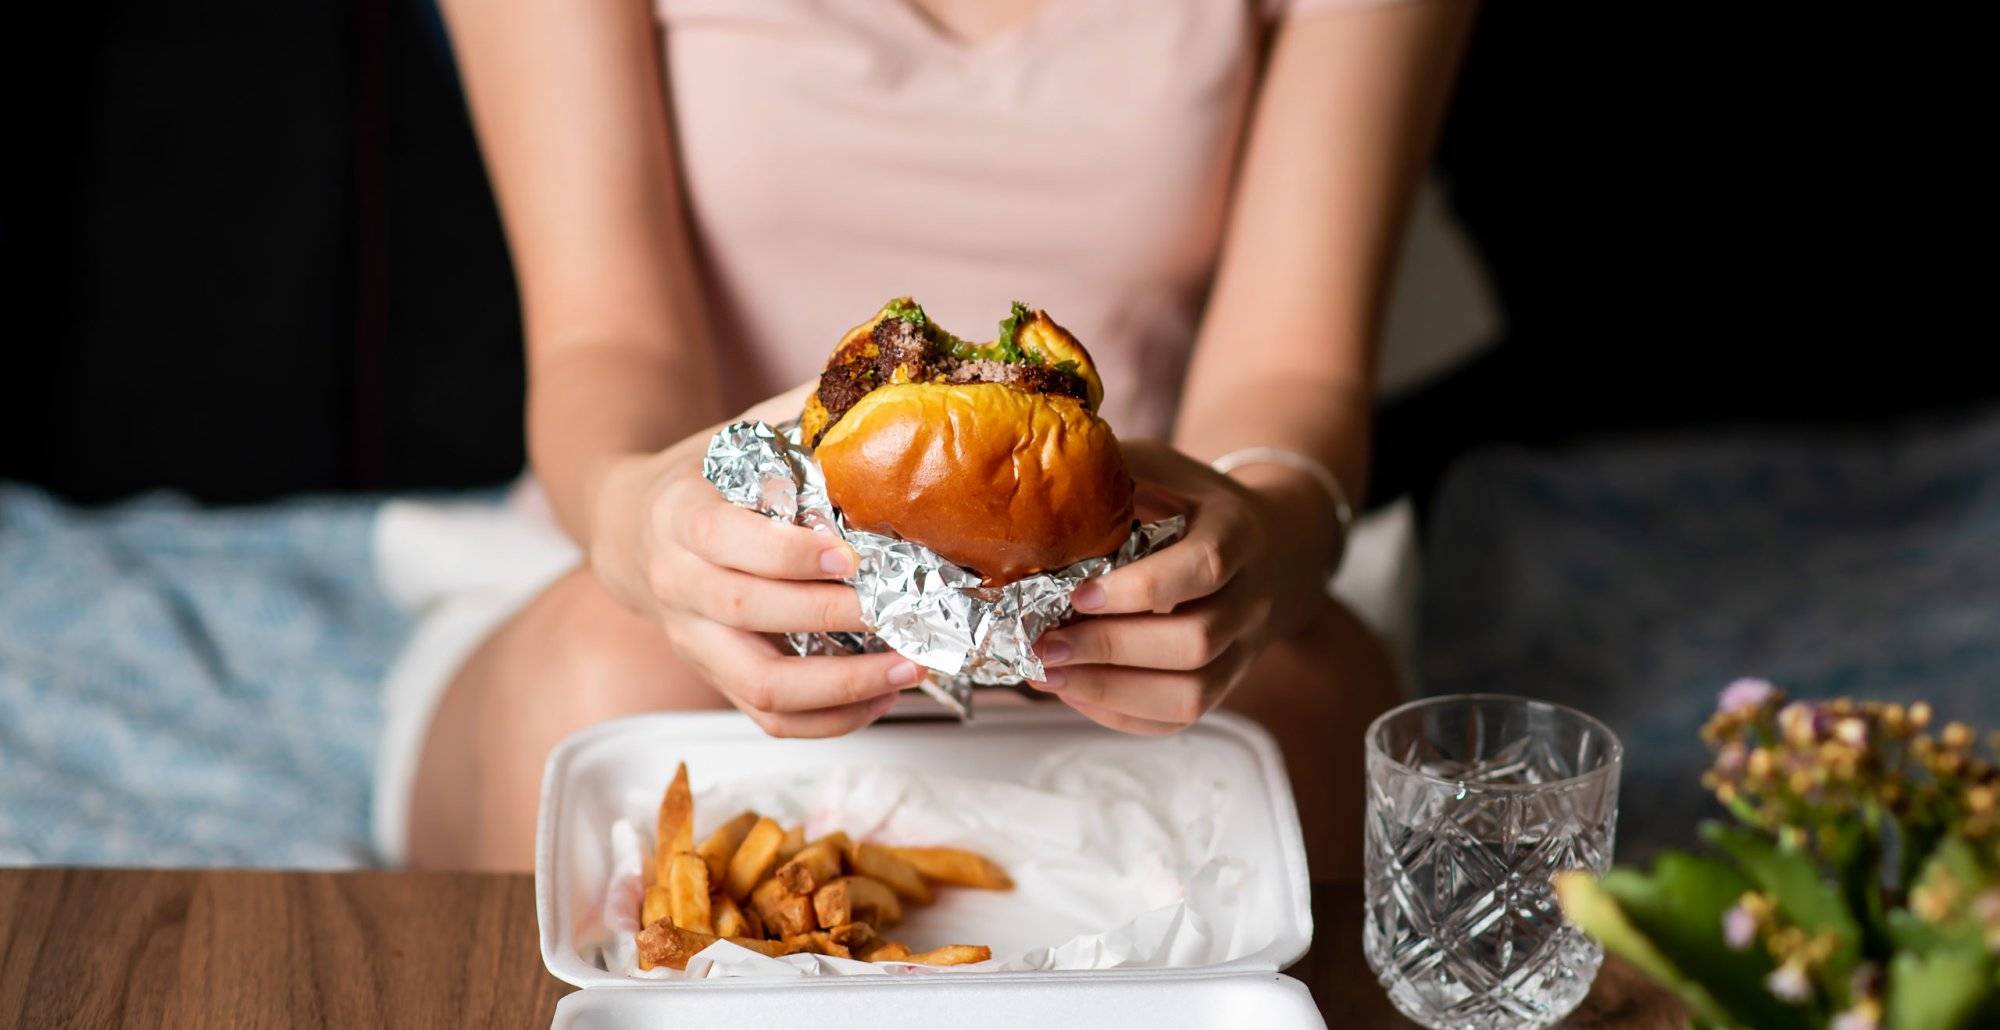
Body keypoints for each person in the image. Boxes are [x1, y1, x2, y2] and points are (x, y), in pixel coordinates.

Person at [397, 0, 1475, 879]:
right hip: (676, 580)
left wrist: (1262, 542)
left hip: (1129, 599)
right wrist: (644, 524)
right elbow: (603, 344)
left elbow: (1293, 369)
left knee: (1305, 733)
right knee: (593, 695)